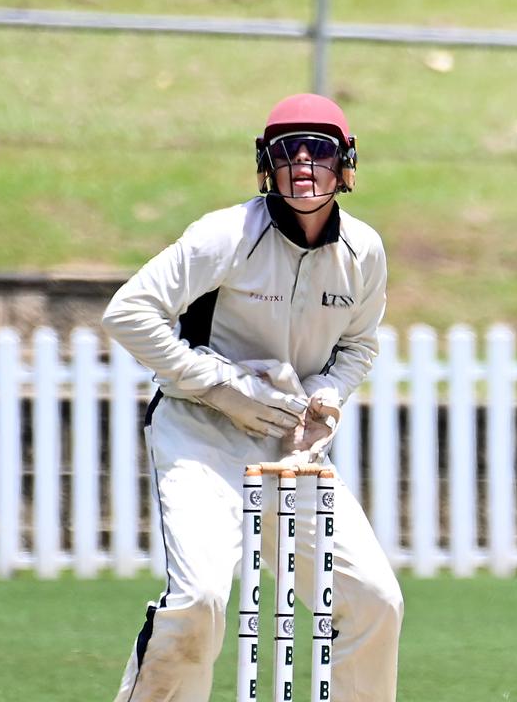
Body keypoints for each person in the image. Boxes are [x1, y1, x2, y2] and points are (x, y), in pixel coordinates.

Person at [102, 93, 403, 702]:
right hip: (200, 433)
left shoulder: (363, 251)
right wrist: (218, 386)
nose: (302, 164)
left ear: (346, 165)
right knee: (201, 604)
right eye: (286, 151)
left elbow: (358, 349)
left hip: (291, 449)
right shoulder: (226, 233)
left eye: (318, 150)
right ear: (266, 163)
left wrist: (327, 398)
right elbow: (129, 312)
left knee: (376, 602)